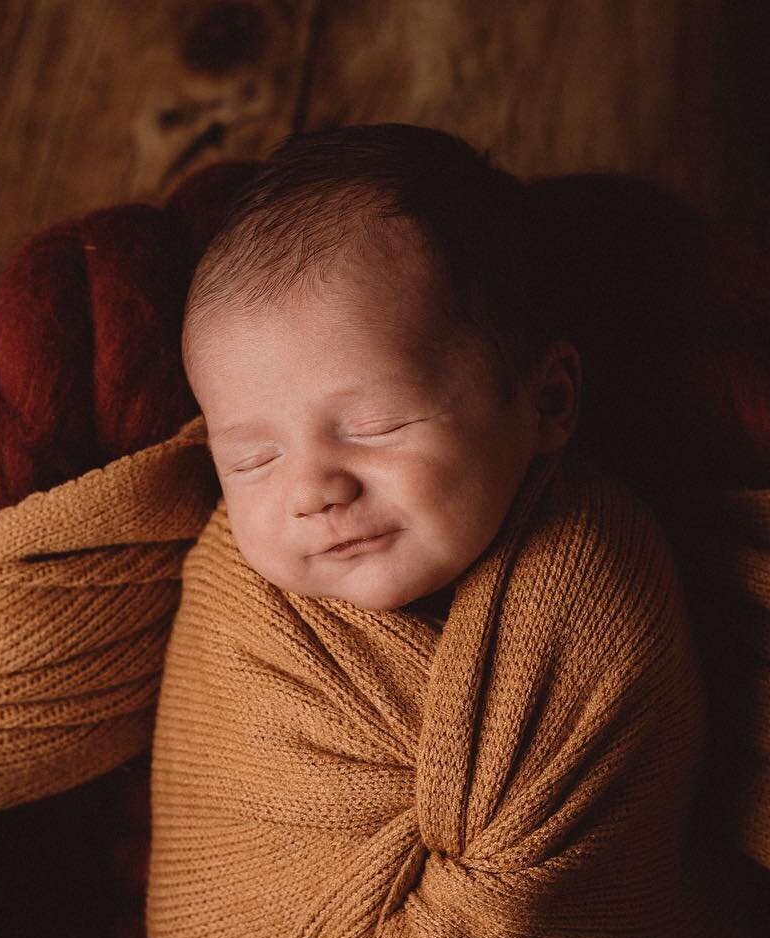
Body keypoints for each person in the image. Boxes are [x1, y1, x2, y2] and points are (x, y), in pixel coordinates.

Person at [179, 123, 586, 626]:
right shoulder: (230, 609)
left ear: (546, 400)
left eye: (377, 427)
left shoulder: (598, 587)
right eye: (252, 461)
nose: (312, 493)